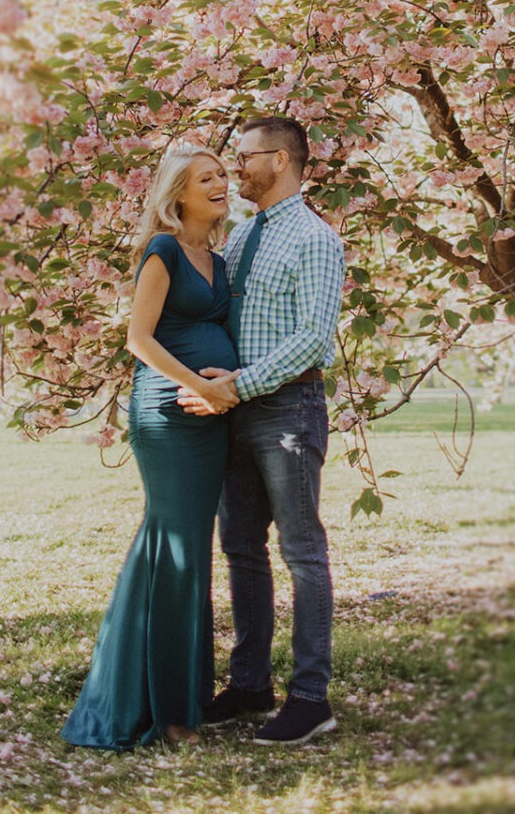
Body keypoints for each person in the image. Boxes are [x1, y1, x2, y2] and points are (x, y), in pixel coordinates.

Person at [61, 144, 239, 750]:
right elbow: (139, 339)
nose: (221, 183)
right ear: (178, 194)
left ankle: (166, 693)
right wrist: (201, 388)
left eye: (223, 174)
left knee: (178, 550)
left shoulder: (214, 256)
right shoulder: (163, 250)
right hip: (169, 415)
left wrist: (227, 390)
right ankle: (168, 713)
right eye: (206, 177)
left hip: (210, 417)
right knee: (179, 551)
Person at [176, 115, 346, 747]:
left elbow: (311, 341)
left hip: (287, 412)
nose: (235, 168)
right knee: (240, 548)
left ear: (280, 161)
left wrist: (236, 385)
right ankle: (249, 684)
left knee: (301, 551)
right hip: (235, 413)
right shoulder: (242, 237)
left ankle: (310, 697)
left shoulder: (316, 239)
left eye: (245, 157)